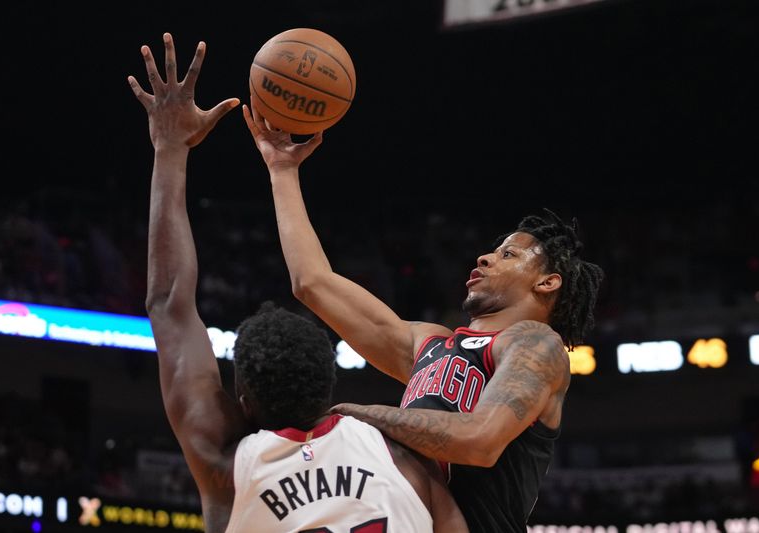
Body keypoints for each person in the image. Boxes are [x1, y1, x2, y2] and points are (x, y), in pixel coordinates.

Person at [129, 32, 468, 533]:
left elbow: (169, 303)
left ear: (242, 401)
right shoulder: (403, 464)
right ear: (331, 383)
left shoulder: (230, 466)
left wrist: (170, 146)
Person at [243, 104, 605, 531]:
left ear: (547, 283)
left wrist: (364, 415)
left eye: (508, 254)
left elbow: (480, 441)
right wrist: (281, 170)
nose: (485, 257)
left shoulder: (535, 345)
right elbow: (312, 283)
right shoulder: (429, 343)